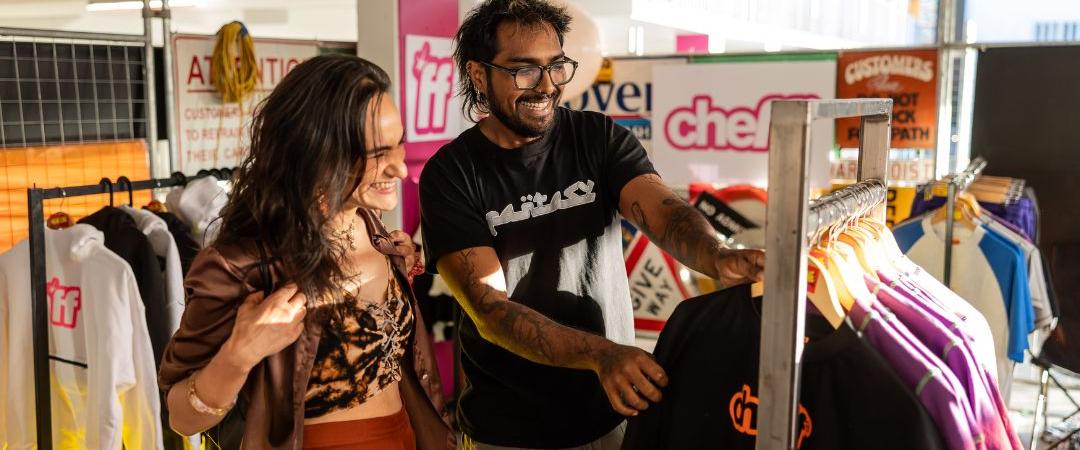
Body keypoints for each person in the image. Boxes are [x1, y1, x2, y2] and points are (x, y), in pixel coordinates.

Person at [418, 1, 766, 449]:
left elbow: (663, 212)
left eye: (556, 67)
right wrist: (602, 355)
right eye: (524, 70)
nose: (546, 85)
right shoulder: (452, 174)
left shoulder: (597, 138)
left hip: (613, 413)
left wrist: (715, 255)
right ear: (480, 75)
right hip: (509, 430)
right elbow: (491, 312)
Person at [158, 54, 455, 450]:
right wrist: (239, 355)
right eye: (376, 153)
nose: (400, 169)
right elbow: (180, 416)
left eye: (399, 143)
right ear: (318, 152)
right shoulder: (239, 265)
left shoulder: (372, 226)